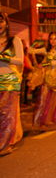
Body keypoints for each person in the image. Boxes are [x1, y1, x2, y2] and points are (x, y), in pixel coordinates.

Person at [29, 31, 56, 131]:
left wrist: (45, 64)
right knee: (44, 101)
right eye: (51, 39)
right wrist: (35, 42)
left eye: (55, 39)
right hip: (48, 78)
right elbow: (31, 50)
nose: (53, 41)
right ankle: (43, 122)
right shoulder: (46, 50)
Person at [0, 12, 23, 155]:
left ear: (6, 23)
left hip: (9, 79)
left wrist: (4, 57)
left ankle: (6, 144)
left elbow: (20, 61)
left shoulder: (14, 40)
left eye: (1, 21)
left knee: (8, 114)